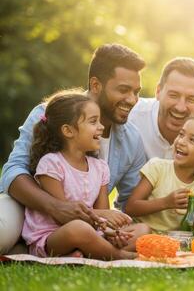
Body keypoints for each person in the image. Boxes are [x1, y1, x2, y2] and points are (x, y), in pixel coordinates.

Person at [0, 43, 147, 254]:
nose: (132, 100)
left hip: (89, 223)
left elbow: (130, 200)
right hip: (27, 208)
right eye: (124, 90)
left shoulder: (131, 138)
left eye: (136, 92)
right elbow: (12, 172)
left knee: (141, 231)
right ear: (96, 85)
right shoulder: (50, 113)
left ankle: (73, 250)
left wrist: (113, 226)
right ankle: (28, 245)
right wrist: (55, 207)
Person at [22, 90, 149, 259]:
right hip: (55, 235)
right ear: (68, 131)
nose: (101, 127)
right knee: (78, 229)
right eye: (93, 121)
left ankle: (90, 252)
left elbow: (103, 214)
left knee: (143, 229)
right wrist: (103, 217)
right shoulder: (51, 164)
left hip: (92, 230)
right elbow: (64, 215)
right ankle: (121, 256)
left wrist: (113, 232)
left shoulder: (100, 167)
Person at [125, 112, 194, 233]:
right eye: (181, 134)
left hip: (176, 243)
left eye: (192, 140)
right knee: (143, 229)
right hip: (143, 235)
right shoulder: (157, 168)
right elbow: (130, 208)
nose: (181, 141)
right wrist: (165, 202)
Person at [128, 57, 194, 160]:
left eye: (191, 99)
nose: (180, 108)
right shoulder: (130, 116)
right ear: (158, 91)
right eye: (174, 95)